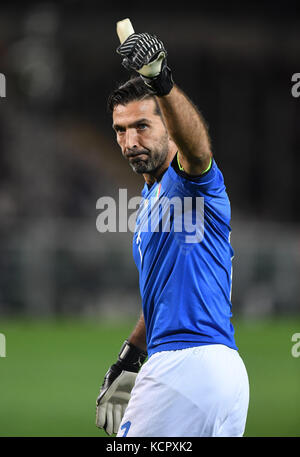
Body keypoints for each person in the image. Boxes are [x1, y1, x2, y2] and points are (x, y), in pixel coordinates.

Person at [95, 30, 249, 437]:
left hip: (185, 368)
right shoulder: (152, 200)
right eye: (120, 129)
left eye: (142, 126)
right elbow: (164, 296)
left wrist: (161, 79)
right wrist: (130, 355)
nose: (130, 141)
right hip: (222, 374)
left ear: (170, 129)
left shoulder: (191, 182)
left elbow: (197, 151)